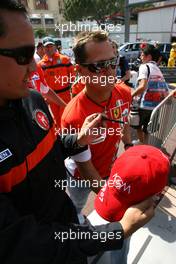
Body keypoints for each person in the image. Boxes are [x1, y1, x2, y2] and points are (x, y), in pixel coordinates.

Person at [0, 1, 155, 263]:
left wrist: (75, 140)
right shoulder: (73, 111)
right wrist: (115, 230)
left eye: (113, 62)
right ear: (81, 70)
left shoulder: (33, 100)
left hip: (69, 222)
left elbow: (47, 149)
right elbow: (22, 242)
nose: (36, 68)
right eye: (23, 56)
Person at [61, 31, 133, 213]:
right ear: (80, 70)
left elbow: (124, 121)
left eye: (113, 61)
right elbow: (86, 169)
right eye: (99, 65)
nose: (110, 71)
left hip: (111, 170)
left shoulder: (123, 92)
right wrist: (113, 200)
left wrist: (129, 145)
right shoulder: (73, 115)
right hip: (80, 177)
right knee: (77, 208)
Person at [132, 45, 169, 143]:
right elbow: (165, 90)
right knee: (147, 129)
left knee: (137, 126)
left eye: (142, 55)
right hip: (156, 107)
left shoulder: (144, 67)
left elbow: (142, 86)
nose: (141, 57)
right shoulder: (157, 69)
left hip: (144, 105)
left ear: (149, 57)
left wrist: (130, 96)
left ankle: (142, 144)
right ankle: (146, 145)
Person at [38, 36, 75, 127]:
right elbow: (40, 83)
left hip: (65, 94)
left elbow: (72, 75)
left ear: (55, 46)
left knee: (66, 116)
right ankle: (61, 137)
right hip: (51, 97)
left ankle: (67, 135)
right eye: (47, 46)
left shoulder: (64, 59)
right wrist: (44, 96)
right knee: (56, 119)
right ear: (43, 48)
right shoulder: (40, 65)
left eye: (51, 46)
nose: (49, 48)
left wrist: (70, 87)